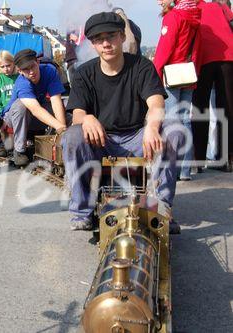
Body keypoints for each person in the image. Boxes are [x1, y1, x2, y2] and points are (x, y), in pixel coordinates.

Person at [62, 12, 185, 233]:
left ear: (121, 37)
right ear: (92, 44)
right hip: (102, 141)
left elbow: (156, 104)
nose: (106, 43)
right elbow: (78, 113)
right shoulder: (83, 74)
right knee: (72, 136)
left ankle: (161, 207)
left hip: (138, 137)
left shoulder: (142, 67)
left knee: (174, 130)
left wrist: (152, 127)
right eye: (99, 39)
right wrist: (87, 118)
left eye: (111, 36)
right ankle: (83, 211)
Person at [154, 0, 201, 181]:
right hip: (188, 74)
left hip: (171, 73)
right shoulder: (194, 15)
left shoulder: (173, 17)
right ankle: (185, 170)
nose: (159, 2)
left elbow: (165, 49)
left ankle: (171, 168)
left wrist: (156, 73)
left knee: (171, 122)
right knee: (185, 121)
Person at [0, 49, 67, 166]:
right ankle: (19, 151)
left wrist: (63, 129)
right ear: (20, 71)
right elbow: (35, 109)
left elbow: (56, 100)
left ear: (38, 62)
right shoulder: (22, 83)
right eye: (26, 69)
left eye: (32, 66)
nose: (31, 72)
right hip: (13, 117)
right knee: (22, 106)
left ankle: (54, 142)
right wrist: (59, 127)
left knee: (66, 108)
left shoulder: (50, 71)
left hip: (34, 116)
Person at [192, 0, 233, 172]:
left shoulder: (191, 9)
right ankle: (227, 159)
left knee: (200, 108)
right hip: (229, 57)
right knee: (228, 109)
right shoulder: (219, 6)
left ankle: (198, 161)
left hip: (204, 58)